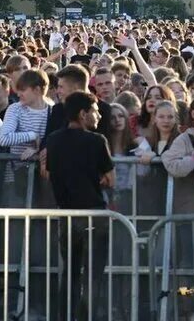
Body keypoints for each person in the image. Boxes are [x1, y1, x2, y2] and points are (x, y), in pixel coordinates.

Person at [44, 91, 114, 319]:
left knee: (70, 273)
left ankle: (65, 316)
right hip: (94, 215)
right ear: (83, 114)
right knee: (93, 276)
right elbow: (111, 179)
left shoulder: (53, 139)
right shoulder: (97, 141)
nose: (99, 116)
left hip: (66, 216)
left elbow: (48, 171)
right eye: (95, 111)